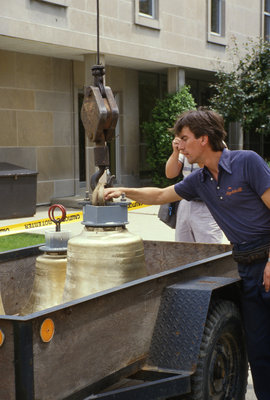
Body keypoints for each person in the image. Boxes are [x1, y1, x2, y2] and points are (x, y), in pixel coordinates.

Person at [104, 108, 270, 400]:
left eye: (184, 139)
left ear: (203, 139)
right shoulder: (200, 181)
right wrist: (121, 190)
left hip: (267, 257)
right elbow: (159, 195)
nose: (179, 146)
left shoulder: (247, 162)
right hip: (245, 267)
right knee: (258, 350)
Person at [166, 137, 224, 243]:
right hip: (185, 202)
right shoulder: (185, 146)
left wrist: (196, 151)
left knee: (209, 249)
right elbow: (170, 174)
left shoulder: (217, 143)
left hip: (207, 204)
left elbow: (213, 170)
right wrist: (176, 151)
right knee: (183, 247)